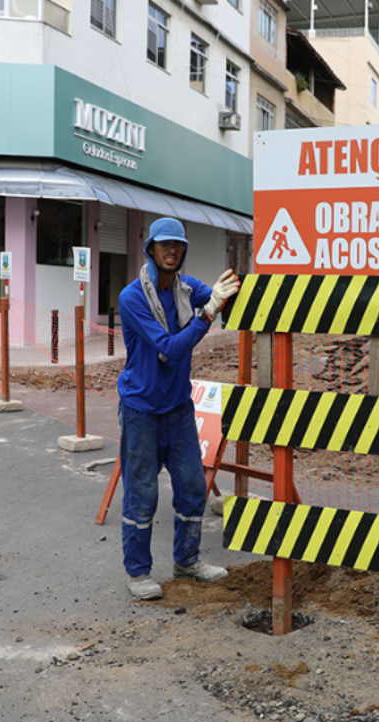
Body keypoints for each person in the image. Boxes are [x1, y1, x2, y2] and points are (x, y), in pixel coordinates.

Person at [117, 217, 241, 601]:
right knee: (142, 495)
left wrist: (237, 289)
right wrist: (209, 312)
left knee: (191, 487)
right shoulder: (133, 297)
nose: (172, 251)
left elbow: (226, 295)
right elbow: (169, 349)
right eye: (164, 245)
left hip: (178, 408)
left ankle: (186, 561)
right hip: (141, 410)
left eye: (178, 245)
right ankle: (138, 573)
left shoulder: (188, 290)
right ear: (150, 249)